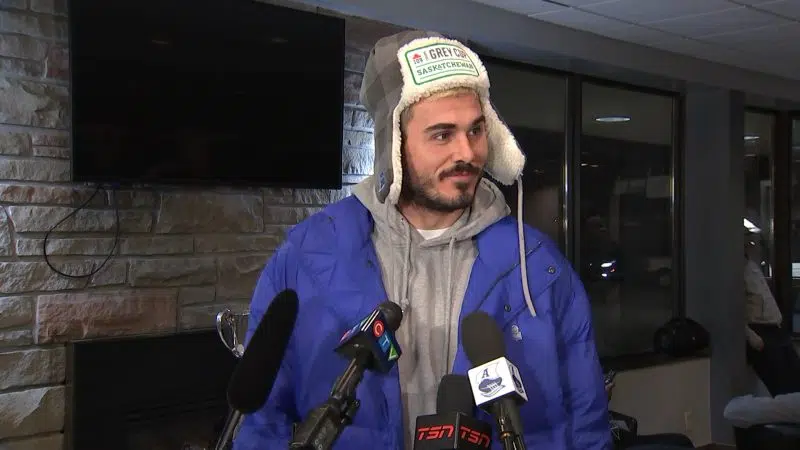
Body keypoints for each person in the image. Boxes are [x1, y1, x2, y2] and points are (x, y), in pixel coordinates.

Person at [233, 30, 610, 450]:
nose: (466, 153)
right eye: (442, 134)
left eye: (476, 129)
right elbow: (262, 421)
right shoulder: (307, 257)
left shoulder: (537, 266)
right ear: (392, 145)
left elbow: (585, 419)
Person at [744, 231, 800, 396]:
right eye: (749, 244)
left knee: (796, 377)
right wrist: (750, 336)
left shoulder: (753, 267)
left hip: (776, 328)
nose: (754, 247)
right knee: (782, 387)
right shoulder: (737, 272)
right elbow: (733, 311)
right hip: (759, 331)